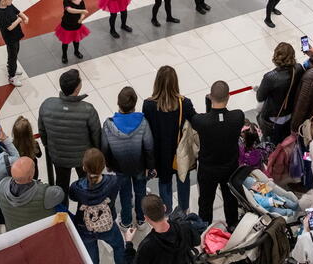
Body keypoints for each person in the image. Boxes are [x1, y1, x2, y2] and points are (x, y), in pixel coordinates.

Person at [69, 148, 139, 264]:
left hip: (84, 227)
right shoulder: (113, 181)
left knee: (92, 257)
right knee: (119, 245)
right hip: (107, 224)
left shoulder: (77, 187)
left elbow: (71, 196)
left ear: (84, 167)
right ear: (103, 165)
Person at [123, 194, 201, 264]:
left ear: (146, 218)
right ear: (164, 208)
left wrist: (129, 244)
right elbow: (197, 241)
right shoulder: (184, 227)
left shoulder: (147, 245)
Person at [38, 68, 101, 202]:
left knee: (61, 187)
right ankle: (84, 211)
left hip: (58, 156)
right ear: (77, 87)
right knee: (87, 185)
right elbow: (96, 136)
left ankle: (62, 215)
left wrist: (49, 147)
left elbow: (42, 132)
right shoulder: (88, 110)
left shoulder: (47, 105)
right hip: (83, 158)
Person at [191, 80, 244, 227]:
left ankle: (205, 229)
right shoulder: (237, 117)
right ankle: (232, 225)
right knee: (230, 199)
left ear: (211, 97)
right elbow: (219, 120)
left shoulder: (201, 121)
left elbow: (206, 118)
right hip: (230, 167)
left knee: (206, 202)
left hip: (208, 169)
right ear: (228, 97)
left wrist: (209, 104)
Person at [143, 66, 195, 214]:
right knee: (183, 180)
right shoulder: (185, 103)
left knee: (164, 183)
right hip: (180, 152)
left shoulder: (149, 105)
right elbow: (196, 121)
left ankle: (167, 211)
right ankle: (184, 209)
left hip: (160, 154)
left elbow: (146, 131)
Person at [101, 86, 153, 230]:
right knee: (140, 192)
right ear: (135, 104)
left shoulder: (108, 125)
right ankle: (141, 219)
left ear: (118, 104)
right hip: (140, 166)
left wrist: (109, 165)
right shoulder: (143, 123)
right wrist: (149, 166)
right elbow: (149, 146)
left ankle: (126, 221)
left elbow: (105, 148)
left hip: (119, 167)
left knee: (124, 194)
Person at [0, 156, 65, 230]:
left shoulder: (2, 185)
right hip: (39, 235)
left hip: (14, 234)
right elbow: (60, 193)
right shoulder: (46, 194)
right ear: (31, 176)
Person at [257, 42, 305, 143]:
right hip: (291, 112)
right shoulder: (299, 69)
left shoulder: (270, 77)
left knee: (271, 140)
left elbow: (260, 97)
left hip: (273, 115)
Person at [0, 0, 27, 86]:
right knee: (12, 56)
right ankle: (12, 76)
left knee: (16, 52)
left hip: (16, 35)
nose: (12, 0)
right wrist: (19, 20)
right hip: (10, 38)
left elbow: (18, 11)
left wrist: (25, 17)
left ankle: (12, 67)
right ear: (3, 1)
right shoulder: (0, 14)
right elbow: (9, 27)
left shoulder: (9, 5)